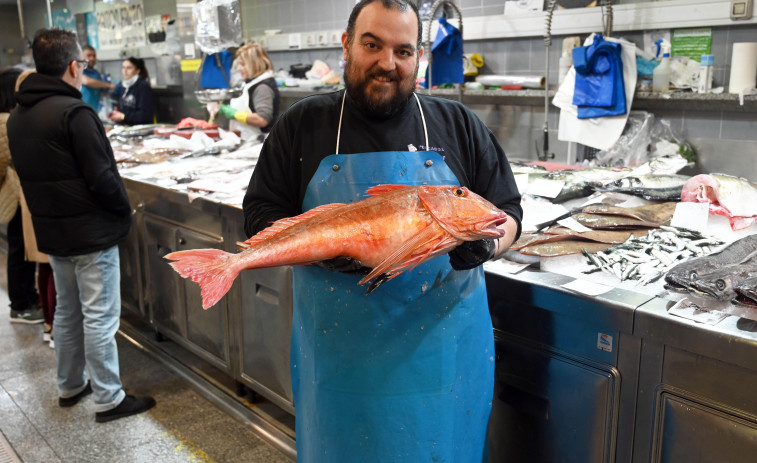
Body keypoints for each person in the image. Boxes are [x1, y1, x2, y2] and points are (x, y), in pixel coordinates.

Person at [242, 1, 522, 461]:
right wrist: (322, 247)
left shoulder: (459, 125)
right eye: (372, 45)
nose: (387, 63)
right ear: (347, 44)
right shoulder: (301, 126)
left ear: (419, 58)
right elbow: (259, 213)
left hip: (442, 357)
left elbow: (508, 211)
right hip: (340, 361)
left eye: (403, 51)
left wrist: (489, 244)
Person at [7, 28, 155, 422]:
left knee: (68, 313)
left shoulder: (19, 115)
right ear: (74, 67)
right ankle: (109, 397)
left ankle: (69, 385)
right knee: (100, 317)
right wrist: (123, 211)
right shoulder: (75, 112)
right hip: (91, 234)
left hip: (53, 234)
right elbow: (103, 177)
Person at [14, 69, 57, 346]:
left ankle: (49, 323)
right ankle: (54, 328)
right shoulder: (45, 117)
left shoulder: (18, 118)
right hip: (45, 206)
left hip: (32, 204)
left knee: (44, 267)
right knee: (52, 268)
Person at [0, 67, 42, 325]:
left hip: (15, 195)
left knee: (21, 250)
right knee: (20, 250)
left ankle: (26, 297)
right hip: (14, 198)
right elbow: (16, 157)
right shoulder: (5, 122)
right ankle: (21, 305)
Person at [216, 43, 280, 141]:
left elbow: (262, 120)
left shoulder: (262, 87)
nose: (238, 69)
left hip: (258, 143)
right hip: (247, 140)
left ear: (254, 64)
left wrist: (235, 114)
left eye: (242, 64)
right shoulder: (251, 82)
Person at [108, 57, 154, 125]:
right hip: (126, 127)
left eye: (129, 68)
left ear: (137, 70)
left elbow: (145, 115)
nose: (125, 71)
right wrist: (117, 113)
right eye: (123, 67)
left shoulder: (143, 86)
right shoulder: (124, 86)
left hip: (140, 129)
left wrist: (123, 116)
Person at [80, 45, 115, 111]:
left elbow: (101, 91)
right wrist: (109, 85)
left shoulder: (97, 73)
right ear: (81, 57)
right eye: (89, 55)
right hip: (81, 111)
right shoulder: (78, 70)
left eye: (94, 56)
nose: (92, 58)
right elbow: (87, 81)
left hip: (94, 111)